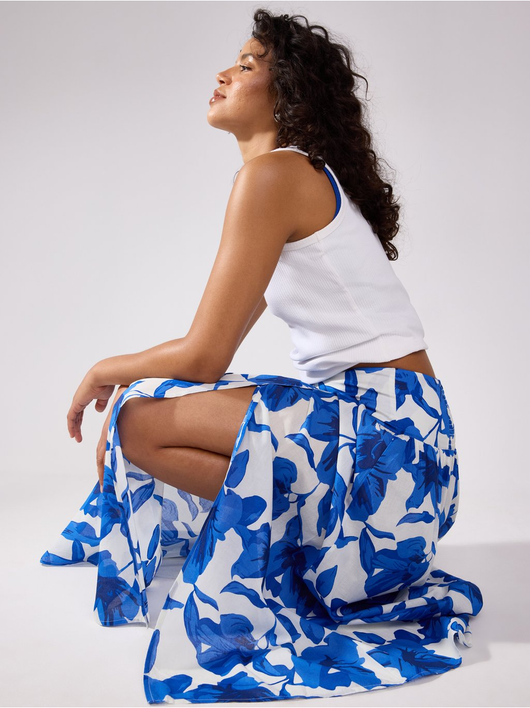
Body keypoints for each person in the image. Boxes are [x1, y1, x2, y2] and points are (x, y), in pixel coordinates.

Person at [41, 9, 483, 705]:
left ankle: (297, 552)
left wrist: (104, 372)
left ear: (288, 92)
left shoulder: (276, 175)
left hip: (385, 442)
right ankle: (308, 548)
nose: (223, 74)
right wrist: (135, 383)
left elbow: (201, 354)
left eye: (246, 65)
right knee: (144, 406)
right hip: (403, 464)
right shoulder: (286, 178)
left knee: (138, 421)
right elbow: (208, 359)